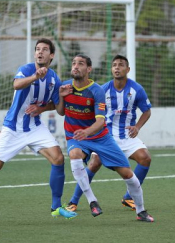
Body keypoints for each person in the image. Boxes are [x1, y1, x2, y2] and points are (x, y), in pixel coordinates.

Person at [0, 38, 77, 225]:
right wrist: (35, 76)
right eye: (37, 49)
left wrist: (59, 98)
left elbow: (59, 111)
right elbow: (16, 85)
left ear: (51, 55)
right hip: (13, 127)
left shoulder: (53, 79)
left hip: (34, 126)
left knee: (58, 157)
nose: (39, 52)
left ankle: (56, 207)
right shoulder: (27, 69)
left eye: (44, 50)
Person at [58, 54, 154, 222]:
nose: (117, 67)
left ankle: (136, 205)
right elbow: (59, 109)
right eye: (114, 65)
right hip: (97, 133)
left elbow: (146, 110)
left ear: (128, 69)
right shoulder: (99, 88)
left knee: (140, 163)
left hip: (113, 136)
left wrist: (137, 127)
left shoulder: (133, 89)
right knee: (91, 162)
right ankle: (76, 200)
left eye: (121, 65)